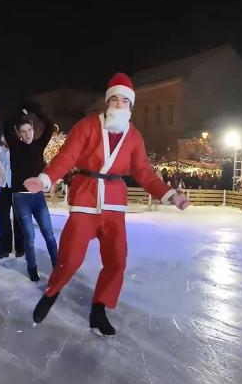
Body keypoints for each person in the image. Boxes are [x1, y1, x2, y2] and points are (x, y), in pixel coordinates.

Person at [24, 73, 189, 336]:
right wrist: (45, 179)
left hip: (114, 203)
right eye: (115, 99)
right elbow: (67, 157)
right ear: (107, 102)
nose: (119, 104)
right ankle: (52, 292)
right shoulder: (87, 126)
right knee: (71, 257)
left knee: (117, 260)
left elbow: (144, 173)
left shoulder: (134, 137)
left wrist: (171, 195)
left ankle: (99, 308)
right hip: (86, 199)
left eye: (125, 101)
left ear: (131, 107)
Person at [4, 101, 58, 281]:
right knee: (29, 235)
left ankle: (57, 265)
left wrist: (37, 111)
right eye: (24, 131)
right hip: (21, 198)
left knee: (49, 233)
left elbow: (49, 126)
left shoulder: (38, 145)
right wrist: (19, 111)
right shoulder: (15, 146)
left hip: (38, 198)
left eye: (30, 130)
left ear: (34, 131)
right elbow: (6, 125)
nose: (27, 134)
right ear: (19, 134)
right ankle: (32, 268)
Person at [0, 108, 25, 259]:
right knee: (3, 219)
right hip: (4, 188)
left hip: (18, 189)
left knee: (19, 218)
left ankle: (21, 248)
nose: (5, 136)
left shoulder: (20, 151)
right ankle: (4, 249)